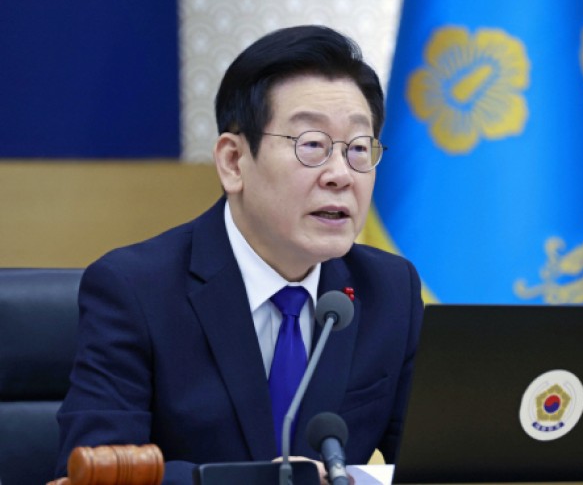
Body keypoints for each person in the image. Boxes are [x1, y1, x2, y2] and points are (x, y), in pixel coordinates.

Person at [55, 25, 424, 484]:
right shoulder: (135, 290)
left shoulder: (389, 290)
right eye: (312, 145)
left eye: (358, 149)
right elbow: (96, 474)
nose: (340, 174)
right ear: (233, 162)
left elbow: (435, 466)